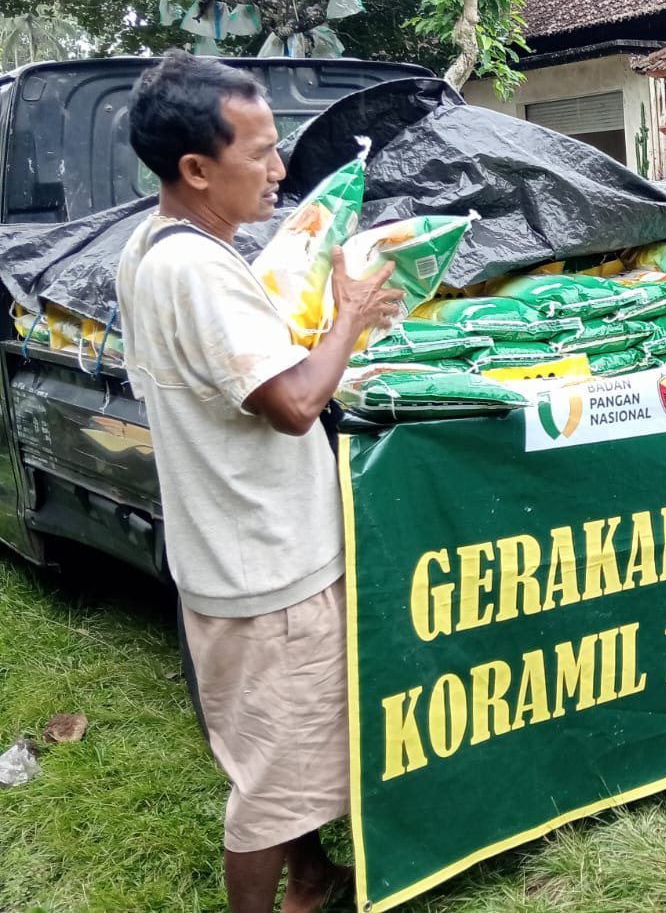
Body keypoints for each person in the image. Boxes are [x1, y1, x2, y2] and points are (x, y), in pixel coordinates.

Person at [116, 51, 404, 913]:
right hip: (266, 565)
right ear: (197, 168)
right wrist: (349, 316)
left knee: (285, 746)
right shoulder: (196, 269)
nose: (281, 171)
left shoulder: (156, 243)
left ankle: (311, 879)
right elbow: (293, 402)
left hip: (224, 549)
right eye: (262, 153)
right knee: (273, 782)